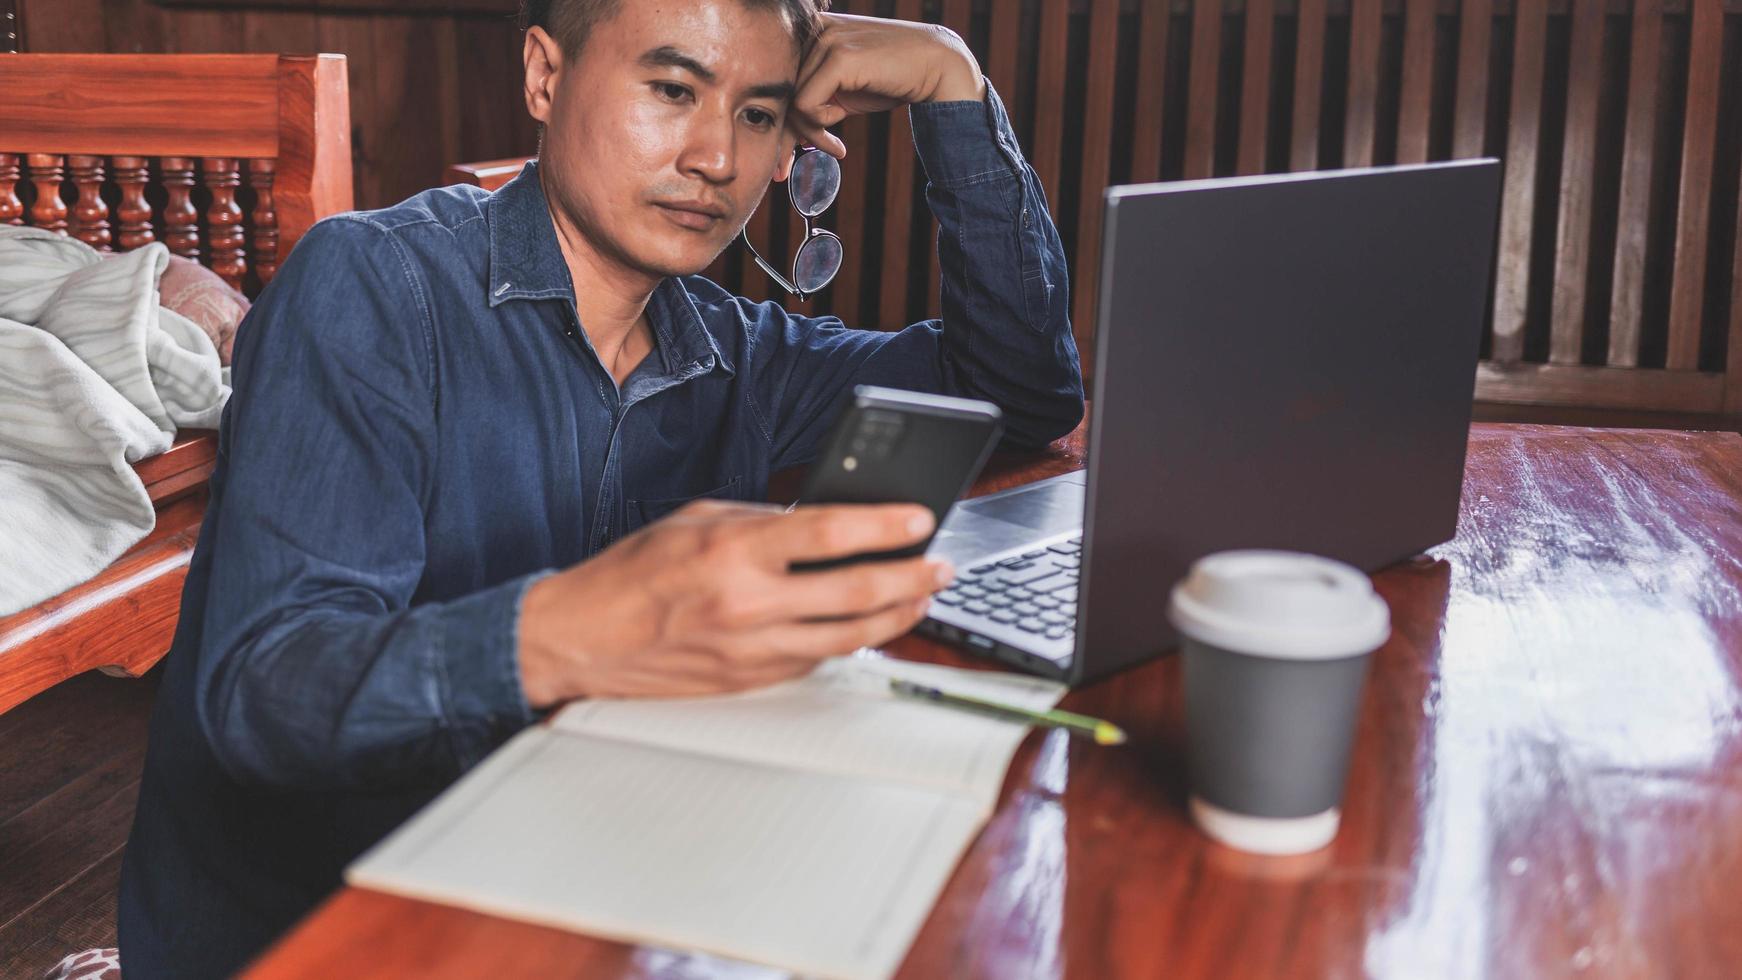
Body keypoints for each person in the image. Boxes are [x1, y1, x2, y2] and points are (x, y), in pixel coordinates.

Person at [117, 0, 1082, 974]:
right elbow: (265, 695)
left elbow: (1018, 391)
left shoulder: (738, 348)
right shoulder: (371, 285)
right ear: (543, 76)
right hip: (339, 931)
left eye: (758, 115)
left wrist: (951, 84)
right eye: (672, 89)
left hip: (599, 869)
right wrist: (582, 624)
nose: (715, 157)